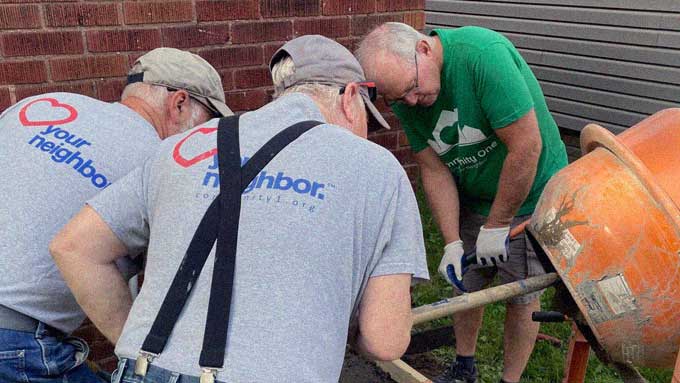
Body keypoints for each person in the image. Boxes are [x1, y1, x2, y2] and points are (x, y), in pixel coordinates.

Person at [50, 35, 429, 383]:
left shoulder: (180, 148)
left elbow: (74, 248)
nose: (364, 133)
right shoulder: (378, 169)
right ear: (350, 97)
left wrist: (135, 339)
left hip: (145, 370)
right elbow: (385, 341)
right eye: (366, 118)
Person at [0, 47, 231, 383]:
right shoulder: (165, 160)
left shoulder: (45, 106)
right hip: (16, 346)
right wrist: (143, 357)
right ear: (179, 103)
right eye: (209, 122)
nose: (207, 138)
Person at [356, 23, 568, 383]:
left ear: (423, 49)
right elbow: (434, 169)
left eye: (411, 89)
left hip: (530, 190)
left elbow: (526, 147)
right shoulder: (406, 92)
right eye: (396, 99)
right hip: (475, 193)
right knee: (465, 283)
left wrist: (499, 224)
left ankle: (509, 380)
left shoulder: (483, 56)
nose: (408, 103)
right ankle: (464, 367)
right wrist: (452, 240)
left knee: (520, 291)